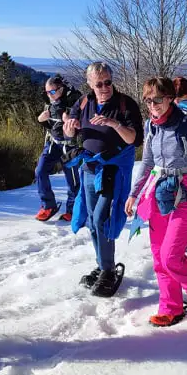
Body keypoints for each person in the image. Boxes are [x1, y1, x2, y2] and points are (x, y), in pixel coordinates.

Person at [126, 77, 187, 327]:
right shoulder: (150, 125)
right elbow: (147, 162)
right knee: (158, 256)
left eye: (157, 99)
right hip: (159, 191)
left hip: (186, 193)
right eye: (148, 100)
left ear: (169, 98)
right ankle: (171, 306)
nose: (152, 105)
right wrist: (134, 193)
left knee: (170, 256)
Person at [64, 62, 143, 297]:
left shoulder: (125, 104)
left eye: (108, 82)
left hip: (113, 169)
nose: (104, 87)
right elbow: (71, 131)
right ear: (90, 84)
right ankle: (102, 265)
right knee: (91, 220)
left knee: (102, 219)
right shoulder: (84, 102)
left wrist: (113, 123)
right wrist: (70, 128)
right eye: (99, 83)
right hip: (89, 168)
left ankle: (107, 270)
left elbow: (133, 139)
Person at [35, 75, 80, 222]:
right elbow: (52, 126)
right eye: (47, 92)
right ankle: (48, 205)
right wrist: (41, 120)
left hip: (70, 146)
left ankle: (73, 211)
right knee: (40, 170)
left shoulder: (74, 102)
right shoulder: (49, 103)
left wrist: (70, 122)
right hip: (53, 143)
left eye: (52, 92)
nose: (49, 95)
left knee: (72, 180)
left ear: (61, 89)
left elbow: (81, 128)